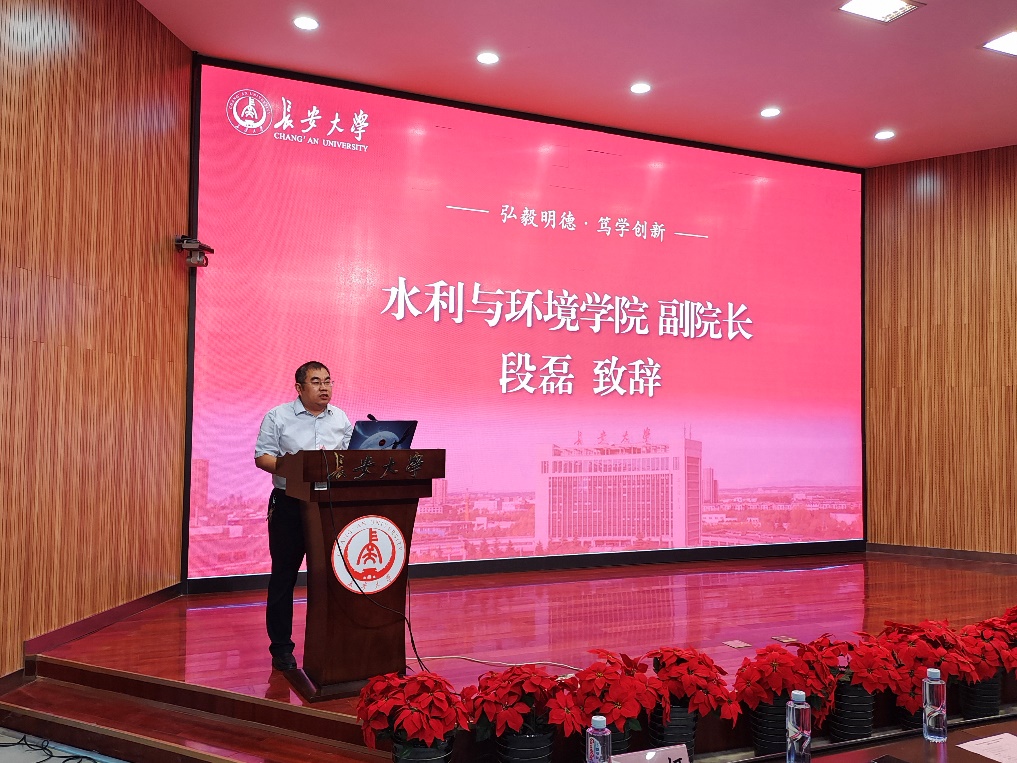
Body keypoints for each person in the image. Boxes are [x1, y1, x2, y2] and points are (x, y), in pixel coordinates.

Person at [254, 361, 353, 671]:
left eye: (328, 381)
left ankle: (333, 642)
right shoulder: (278, 416)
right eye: (316, 381)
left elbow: (350, 458)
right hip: (290, 504)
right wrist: (297, 469)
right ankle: (281, 648)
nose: (324, 387)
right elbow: (262, 457)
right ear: (299, 388)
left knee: (332, 577)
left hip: (329, 505)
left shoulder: (340, 418)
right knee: (284, 576)